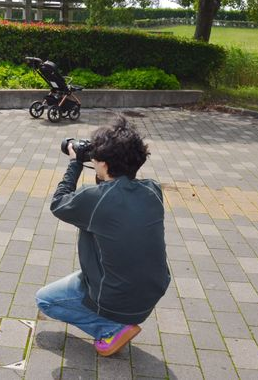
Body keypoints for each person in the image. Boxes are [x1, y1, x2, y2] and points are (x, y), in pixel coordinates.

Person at [36, 116, 170, 357]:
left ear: (105, 165)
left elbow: (58, 203)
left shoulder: (94, 198)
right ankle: (114, 319)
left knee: (45, 300)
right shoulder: (153, 189)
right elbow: (113, 192)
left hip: (118, 296)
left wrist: (75, 163)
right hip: (151, 289)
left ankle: (111, 328)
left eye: (96, 157)